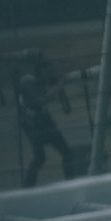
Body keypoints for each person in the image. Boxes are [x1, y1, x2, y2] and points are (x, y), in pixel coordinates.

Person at [15, 53, 76, 187]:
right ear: (41, 69)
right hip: (34, 124)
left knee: (62, 153)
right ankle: (28, 186)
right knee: (43, 157)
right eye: (48, 70)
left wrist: (59, 88)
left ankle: (69, 182)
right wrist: (58, 86)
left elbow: (66, 108)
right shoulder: (28, 82)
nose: (50, 73)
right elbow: (39, 101)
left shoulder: (39, 81)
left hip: (41, 122)